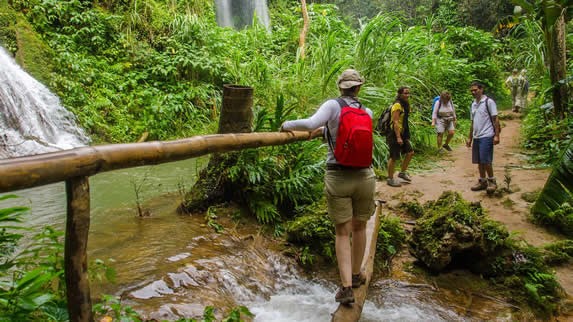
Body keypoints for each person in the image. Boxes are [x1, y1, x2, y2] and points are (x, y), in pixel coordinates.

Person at [280, 69, 375, 305]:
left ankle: (345, 288)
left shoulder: (333, 106)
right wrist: (326, 131)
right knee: (360, 227)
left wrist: (286, 124)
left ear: (340, 87)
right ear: (359, 88)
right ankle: (356, 275)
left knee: (343, 232)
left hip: (339, 176)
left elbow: (312, 122)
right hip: (365, 175)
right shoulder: (367, 111)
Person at [466, 81, 501, 194]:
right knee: (479, 161)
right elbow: (472, 122)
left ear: (481, 89)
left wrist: (496, 135)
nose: (473, 92)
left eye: (475, 90)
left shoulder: (488, 102)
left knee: (486, 160)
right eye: (472, 90)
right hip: (477, 136)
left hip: (487, 135)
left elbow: (495, 119)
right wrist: (470, 138)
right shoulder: (473, 104)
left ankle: (492, 181)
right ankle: (482, 181)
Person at [386, 86, 414, 187]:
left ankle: (402, 173)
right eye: (405, 93)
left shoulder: (405, 105)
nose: (407, 95)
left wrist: (405, 135)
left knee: (410, 152)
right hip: (394, 133)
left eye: (408, 93)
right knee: (393, 156)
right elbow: (395, 121)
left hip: (403, 132)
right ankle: (390, 178)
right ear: (400, 94)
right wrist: (398, 137)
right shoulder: (397, 105)